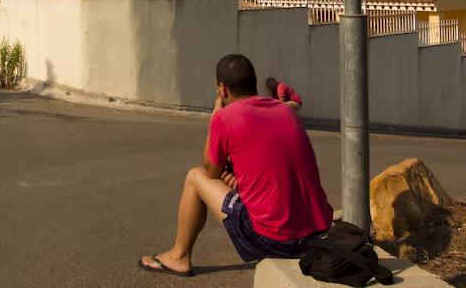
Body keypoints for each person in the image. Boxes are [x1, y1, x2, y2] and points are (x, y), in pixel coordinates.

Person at [138, 54, 332, 277]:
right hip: (318, 233)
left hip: (278, 240)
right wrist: (238, 180)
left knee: (195, 177)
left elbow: (211, 171)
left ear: (222, 89)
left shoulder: (226, 118)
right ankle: (179, 255)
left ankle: (179, 256)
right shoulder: (286, 111)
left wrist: (215, 117)